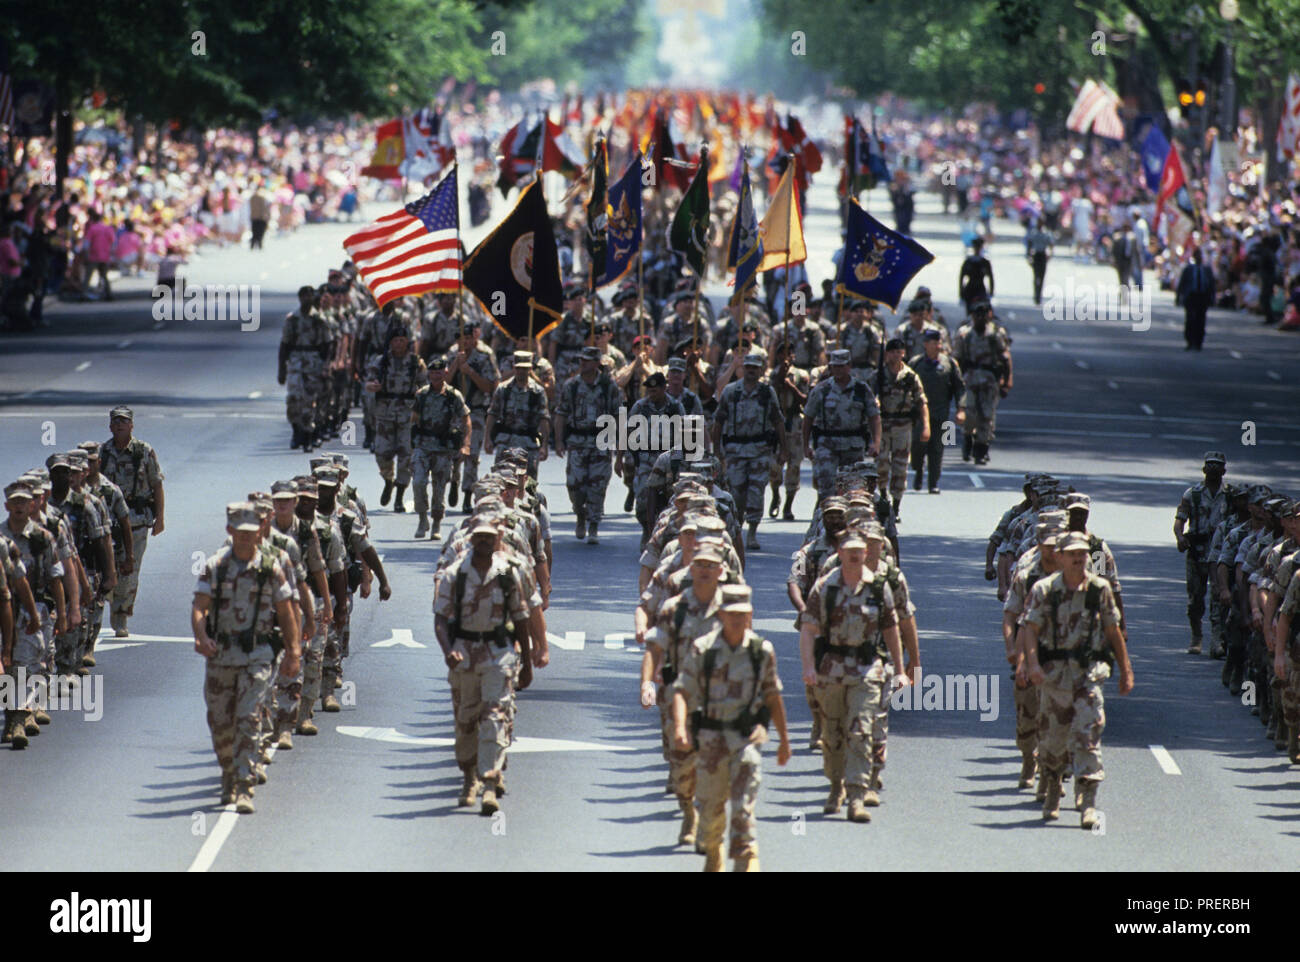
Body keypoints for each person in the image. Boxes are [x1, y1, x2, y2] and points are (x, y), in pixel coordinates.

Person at [670, 584, 789, 872]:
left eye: (743, 614)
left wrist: (784, 740)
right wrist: (680, 728)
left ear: (750, 615)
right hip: (710, 740)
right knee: (710, 813)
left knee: (743, 810)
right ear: (721, 614)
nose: (737, 619)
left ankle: (746, 860)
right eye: (731, 613)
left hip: (744, 740)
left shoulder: (761, 651)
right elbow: (681, 692)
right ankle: (714, 852)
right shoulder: (703, 650)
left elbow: (772, 696)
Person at [191, 503, 301, 813]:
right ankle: (228, 771)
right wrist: (201, 637)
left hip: (257, 656)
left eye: (251, 534)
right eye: (240, 534)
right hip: (221, 656)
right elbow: (200, 607)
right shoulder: (215, 566)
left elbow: (286, 611)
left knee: (249, 718)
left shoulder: (270, 567)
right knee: (221, 722)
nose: (246, 539)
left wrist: (293, 652)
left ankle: (244, 784)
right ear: (230, 532)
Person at [1021, 531, 1134, 827]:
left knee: (1088, 736)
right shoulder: (1044, 590)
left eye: (1082, 553)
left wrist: (1125, 669)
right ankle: (1053, 789)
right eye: (1071, 553)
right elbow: (1030, 629)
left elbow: (1113, 630)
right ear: (1059, 556)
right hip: (1055, 677)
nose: (1078, 558)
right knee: (1053, 740)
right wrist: (1032, 664)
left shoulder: (1100, 589)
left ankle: (1089, 801)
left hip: (1088, 675)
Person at [798, 527, 909, 822]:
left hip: (867, 668)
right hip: (831, 669)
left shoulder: (877, 587)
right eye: (850, 552)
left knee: (860, 730)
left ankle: (856, 797)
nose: (857, 556)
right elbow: (808, 630)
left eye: (860, 552)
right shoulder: (825, 588)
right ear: (841, 554)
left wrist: (900, 670)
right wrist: (808, 666)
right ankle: (836, 786)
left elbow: (891, 628)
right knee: (832, 734)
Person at [433, 521, 534, 815]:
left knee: (494, 717)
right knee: (465, 721)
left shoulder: (506, 573)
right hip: (464, 655)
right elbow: (440, 618)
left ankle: (489, 784)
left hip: (498, 655)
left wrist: (526, 663)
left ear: (497, 540)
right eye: (479, 538)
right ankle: (469, 777)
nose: (484, 543)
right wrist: (448, 649)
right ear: (471, 540)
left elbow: (521, 617)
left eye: (490, 538)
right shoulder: (455, 575)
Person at [99, 405, 164, 638]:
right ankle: (96, 619)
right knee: (105, 569)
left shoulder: (143, 451)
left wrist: (160, 518)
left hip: (136, 520)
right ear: (110, 426)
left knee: (129, 569)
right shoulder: (102, 453)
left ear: (131, 425)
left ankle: (120, 618)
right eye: (116, 421)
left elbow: (156, 484)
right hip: (109, 522)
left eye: (124, 421)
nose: (119, 425)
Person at [713, 354, 784, 550]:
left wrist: (783, 450)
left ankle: (752, 532)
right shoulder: (730, 391)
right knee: (736, 492)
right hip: (735, 451)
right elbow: (718, 421)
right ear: (743, 368)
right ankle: (736, 529)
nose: (751, 370)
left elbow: (778, 421)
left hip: (760, 450)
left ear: (761, 370)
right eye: (748, 367)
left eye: (755, 367)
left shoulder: (767, 393)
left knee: (756, 491)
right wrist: (716, 450)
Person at [554, 346, 622, 544]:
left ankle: (593, 524)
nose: (582, 363)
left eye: (586, 360)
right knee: (575, 485)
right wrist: (558, 441)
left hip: (601, 441)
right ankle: (580, 514)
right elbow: (561, 414)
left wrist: (620, 445)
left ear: (596, 363)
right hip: (577, 441)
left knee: (598, 486)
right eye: (581, 360)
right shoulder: (571, 386)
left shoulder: (609, 387)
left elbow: (619, 416)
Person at [365, 321, 428, 512]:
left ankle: (400, 495)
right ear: (390, 342)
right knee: (382, 453)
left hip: (408, 415)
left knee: (406, 456)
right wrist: (372, 386)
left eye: (402, 340)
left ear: (407, 341)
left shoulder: (416, 363)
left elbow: (426, 386)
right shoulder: (380, 361)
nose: (399, 344)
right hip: (385, 413)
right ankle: (387, 479)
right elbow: (368, 382)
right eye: (396, 340)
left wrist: (421, 397)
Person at [803, 350, 881, 502]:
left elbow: (874, 417)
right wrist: (806, 446)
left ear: (849, 366)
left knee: (851, 490)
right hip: (827, 445)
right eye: (835, 366)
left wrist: (876, 443)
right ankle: (823, 521)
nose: (838, 370)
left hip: (853, 445)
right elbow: (808, 418)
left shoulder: (861, 389)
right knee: (826, 489)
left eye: (842, 366)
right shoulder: (822, 389)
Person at [410, 356, 471, 541]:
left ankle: (436, 523)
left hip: (444, 448)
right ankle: (422, 518)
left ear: (446, 372)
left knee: (439, 488)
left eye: (439, 372)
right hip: (423, 446)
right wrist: (411, 444)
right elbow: (414, 419)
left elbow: (466, 419)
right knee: (418, 482)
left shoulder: (454, 396)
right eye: (432, 372)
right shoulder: (421, 394)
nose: (435, 375)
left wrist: (466, 445)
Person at [1175, 451, 1228, 655]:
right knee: (1195, 599)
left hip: (1219, 554)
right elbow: (1179, 520)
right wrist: (1180, 538)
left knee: (1218, 595)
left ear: (1224, 470)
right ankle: (1196, 635)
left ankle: (1217, 640)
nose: (1213, 470)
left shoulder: (1230, 495)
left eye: (1218, 466)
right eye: (1210, 466)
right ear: (1204, 469)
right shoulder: (1193, 494)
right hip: (1197, 552)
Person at [873, 338, 928, 518]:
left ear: (903, 354)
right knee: (881, 464)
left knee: (900, 466)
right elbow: (868, 399)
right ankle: (882, 497)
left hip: (903, 426)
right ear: (887, 354)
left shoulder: (910, 377)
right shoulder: (877, 375)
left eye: (899, 352)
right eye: (892, 352)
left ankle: (896, 505)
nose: (896, 355)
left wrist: (926, 426)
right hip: (882, 424)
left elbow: (921, 402)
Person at [952, 300, 1011, 465]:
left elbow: (1005, 358)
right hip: (969, 379)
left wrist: (1006, 381)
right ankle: (967, 438)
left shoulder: (996, 334)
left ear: (988, 316)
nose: (980, 318)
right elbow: (956, 359)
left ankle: (981, 449)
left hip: (989, 380)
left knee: (986, 415)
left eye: (984, 314)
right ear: (972, 316)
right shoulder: (964, 334)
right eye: (977, 315)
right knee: (969, 413)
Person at [909, 329, 964, 494]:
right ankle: (918, 471)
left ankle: (933, 482)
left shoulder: (950, 363)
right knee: (917, 446)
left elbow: (959, 388)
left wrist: (961, 409)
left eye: (939, 342)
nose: (938, 346)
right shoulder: (915, 363)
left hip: (941, 413)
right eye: (934, 343)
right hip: (919, 414)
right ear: (926, 344)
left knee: (937, 448)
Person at [278, 285, 329, 450]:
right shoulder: (292, 319)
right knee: (293, 399)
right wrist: (282, 369)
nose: (307, 300)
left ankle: (308, 435)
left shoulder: (319, 319)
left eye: (309, 296)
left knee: (309, 400)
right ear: (300, 298)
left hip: (313, 363)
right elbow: (284, 345)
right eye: (304, 296)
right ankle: (296, 429)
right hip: (295, 362)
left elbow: (327, 346)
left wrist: (325, 367)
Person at [484, 352, 551, 479]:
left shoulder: (537, 392)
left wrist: (544, 446)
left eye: (525, 368)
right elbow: (492, 414)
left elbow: (544, 418)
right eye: (519, 368)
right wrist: (487, 439)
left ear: (530, 369)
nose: (521, 371)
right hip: (506, 442)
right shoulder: (503, 389)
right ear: (514, 367)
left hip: (528, 444)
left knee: (528, 485)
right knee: (502, 482)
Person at [766, 341, 810, 521]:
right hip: (777, 422)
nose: (786, 357)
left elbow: (806, 400)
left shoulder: (802, 375)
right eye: (782, 354)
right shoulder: (771, 375)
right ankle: (776, 493)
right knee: (775, 466)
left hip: (794, 422)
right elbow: (770, 395)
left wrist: (791, 386)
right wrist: (780, 378)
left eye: (789, 354)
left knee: (794, 465)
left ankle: (788, 505)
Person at [1176, 248, 1216, 351]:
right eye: (1197, 255)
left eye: (1200, 255)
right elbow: (1182, 284)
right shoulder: (1188, 269)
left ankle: (1199, 342)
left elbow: (1211, 285)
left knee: (1201, 319)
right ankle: (1189, 341)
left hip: (1202, 297)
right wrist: (1178, 297)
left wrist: (1212, 297)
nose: (1199, 257)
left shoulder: (1207, 270)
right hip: (1191, 296)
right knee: (1190, 319)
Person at [958, 237, 994, 313]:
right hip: (970, 290)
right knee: (970, 311)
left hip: (980, 289)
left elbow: (991, 277)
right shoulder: (968, 262)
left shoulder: (985, 262)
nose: (977, 249)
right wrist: (961, 293)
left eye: (979, 247)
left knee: (982, 310)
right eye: (976, 247)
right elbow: (961, 277)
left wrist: (991, 293)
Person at [1025, 219, 1053, 306]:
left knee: (1041, 277)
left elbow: (1051, 244)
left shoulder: (1046, 233)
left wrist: (1050, 255)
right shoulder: (1033, 233)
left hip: (1043, 255)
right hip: (1036, 255)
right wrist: (1028, 256)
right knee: (1036, 276)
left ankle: (1039, 295)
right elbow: (1029, 244)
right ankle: (1036, 295)